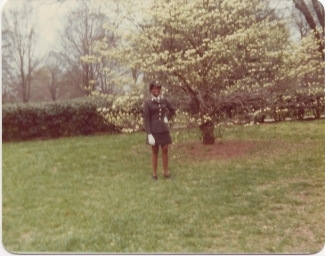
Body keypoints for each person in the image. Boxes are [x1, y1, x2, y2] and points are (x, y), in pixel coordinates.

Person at [143, 80, 176, 180]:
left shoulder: (164, 100)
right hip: (154, 131)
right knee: (155, 150)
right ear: (151, 90)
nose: (156, 90)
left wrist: (167, 117)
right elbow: (146, 120)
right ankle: (154, 174)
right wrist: (149, 134)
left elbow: (173, 110)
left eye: (158, 88)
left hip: (164, 129)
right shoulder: (148, 103)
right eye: (154, 89)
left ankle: (166, 172)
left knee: (165, 149)